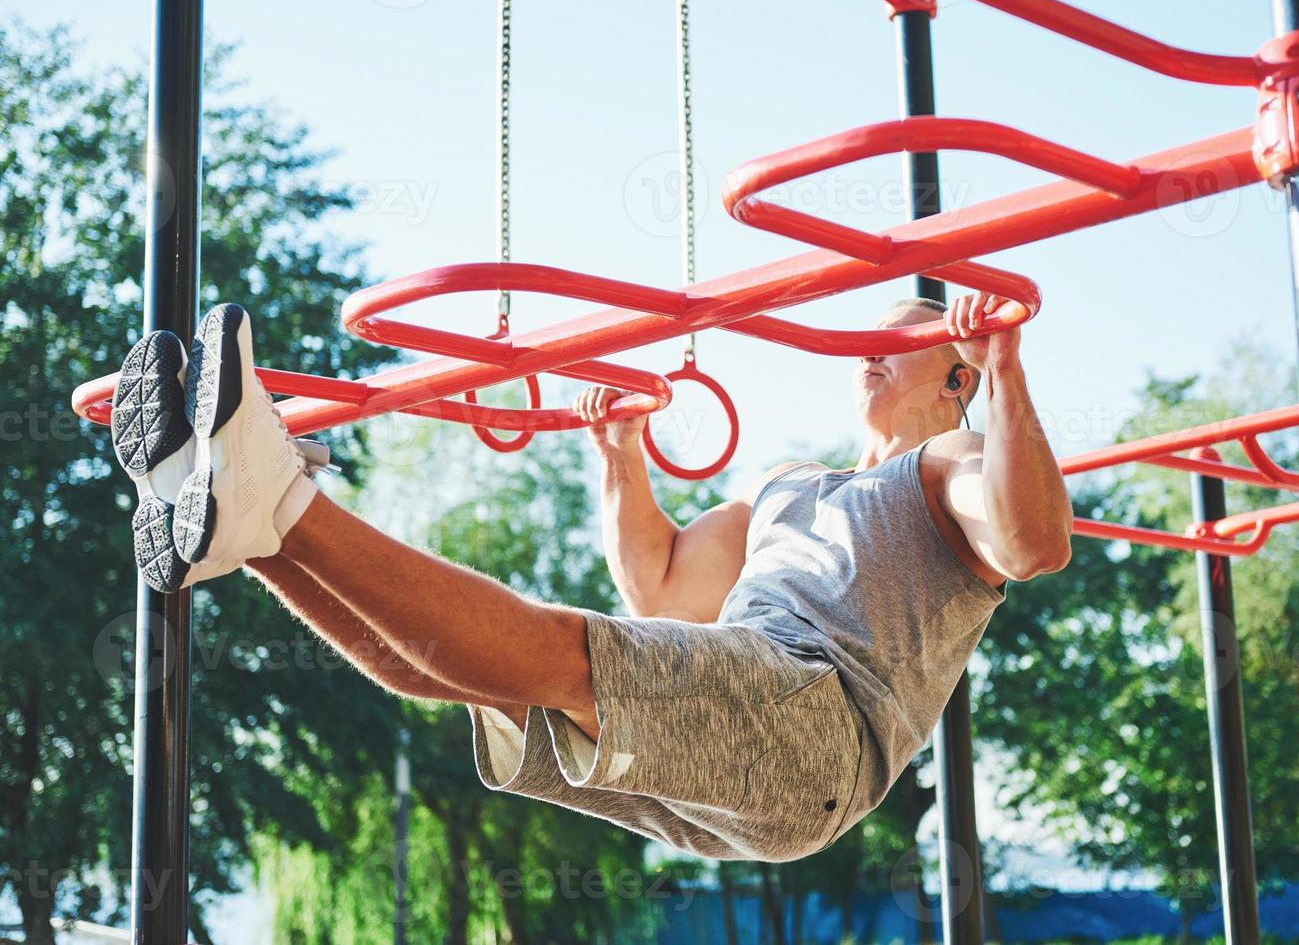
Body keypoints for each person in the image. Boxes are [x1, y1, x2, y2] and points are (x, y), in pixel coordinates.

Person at [109, 291, 1072, 862]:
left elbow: (1034, 546)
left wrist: (1010, 369)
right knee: (481, 679)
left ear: (955, 376)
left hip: (823, 722)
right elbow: (656, 590)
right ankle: (253, 531)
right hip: (762, 729)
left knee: (557, 653)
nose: (867, 346)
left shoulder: (953, 464)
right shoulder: (790, 485)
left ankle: (267, 493)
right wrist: (620, 453)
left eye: (902, 335)